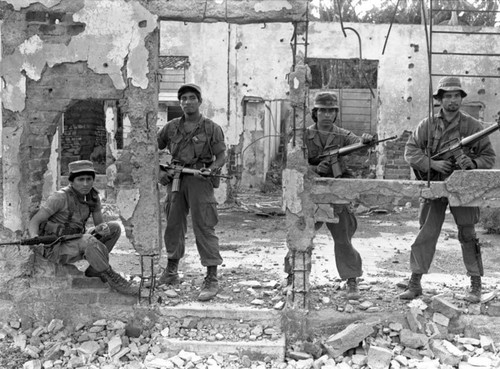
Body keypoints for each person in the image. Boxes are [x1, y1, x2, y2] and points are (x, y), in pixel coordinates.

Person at [401, 76, 496, 303]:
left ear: (461, 98)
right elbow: (410, 151)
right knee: (426, 233)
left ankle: (475, 284)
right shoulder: (428, 124)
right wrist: (432, 164)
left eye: (456, 96)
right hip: (434, 184)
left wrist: (472, 164)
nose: (452, 100)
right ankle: (415, 282)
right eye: (448, 96)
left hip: (463, 188)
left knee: (468, 234)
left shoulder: (473, 126)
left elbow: (488, 158)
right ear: (440, 99)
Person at [285, 91, 374, 300]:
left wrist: (366, 142)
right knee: (301, 236)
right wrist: (315, 169)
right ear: (315, 113)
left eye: (331, 111)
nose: (327, 115)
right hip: (310, 194)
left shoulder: (343, 135)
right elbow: (293, 163)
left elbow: (360, 149)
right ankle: (292, 276)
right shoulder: (303, 136)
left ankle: (351, 279)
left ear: (336, 113)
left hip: (336, 194)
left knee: (343, 238)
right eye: (322, 110)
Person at [157, 83, 226, 301]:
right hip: (175, 179)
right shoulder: (170, 128)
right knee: (173, 223)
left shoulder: (211, 128)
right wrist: (160, 170)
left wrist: (211, 170)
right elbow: (151, 148)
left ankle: (211, 276)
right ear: (180, 103)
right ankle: (171, 270)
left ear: (199, 101)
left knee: (204, 225)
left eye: (192, 98)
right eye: (183, 98)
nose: (187, 102)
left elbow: (222, 156)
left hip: (199, 180)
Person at [28, 160, 139, 296]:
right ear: (72, 181)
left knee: (114, 228)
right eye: (80, 179)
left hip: (77, 238)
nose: (85, 184)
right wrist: (35, 239)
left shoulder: (92, 197)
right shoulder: (60, 197)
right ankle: (112, 276)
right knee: (89, 241)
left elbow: (100, 224)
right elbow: (35, 221)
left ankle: (94, 269)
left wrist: (101, 229)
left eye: (89, 179)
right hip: (57, 245)